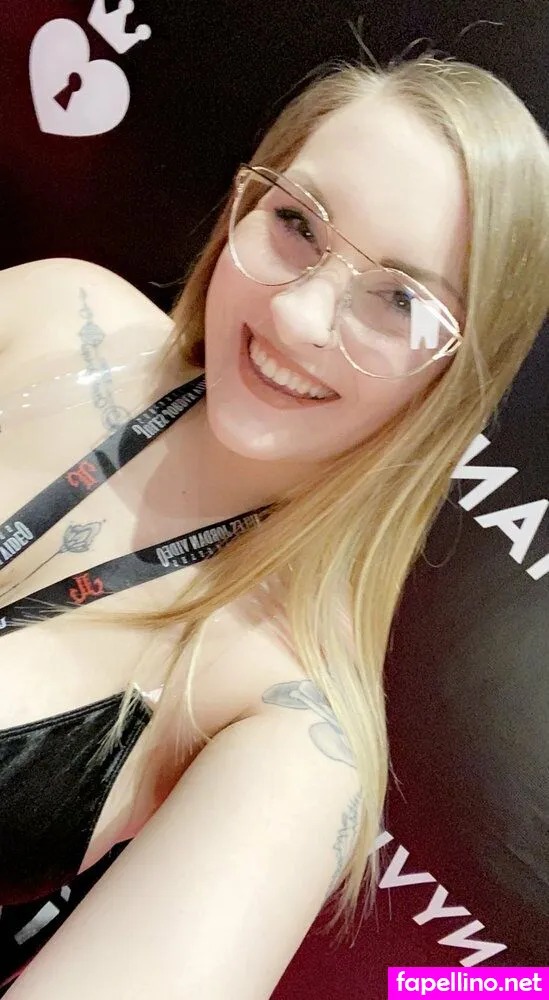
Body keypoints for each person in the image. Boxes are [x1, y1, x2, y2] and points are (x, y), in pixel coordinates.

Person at [0, 52, 548, 998]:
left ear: (458, 375)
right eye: (298, 223)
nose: (298, 316)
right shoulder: (52, 314)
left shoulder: (291, 734)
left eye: (400, 301)